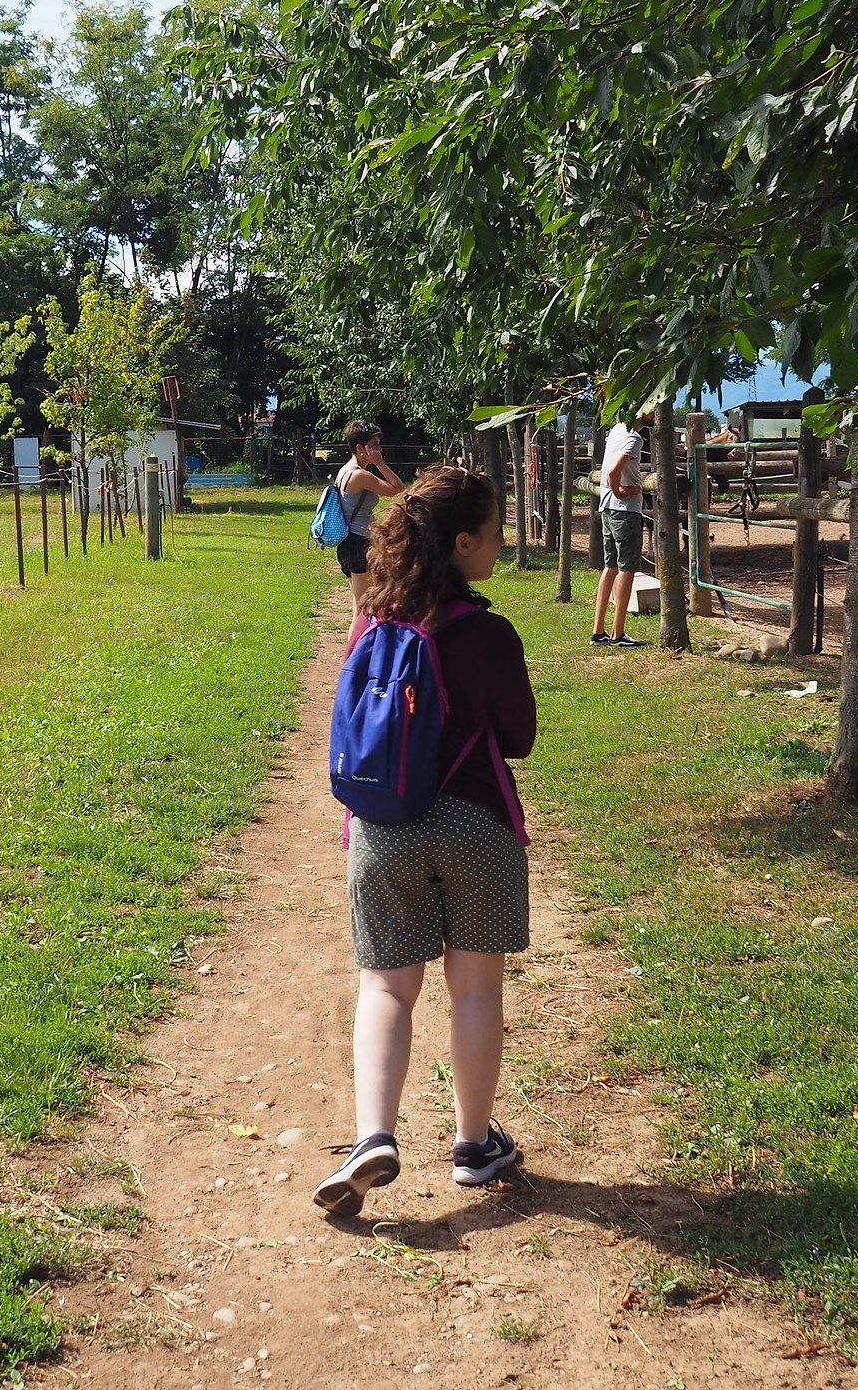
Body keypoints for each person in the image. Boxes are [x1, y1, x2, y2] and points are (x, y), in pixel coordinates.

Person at [314, 466, 537, 1218]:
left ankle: (372, 1135)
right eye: (499, 531)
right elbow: (520, 738)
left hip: (383, 830)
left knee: (385, 986)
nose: (503, 544)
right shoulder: (489, 632)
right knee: (474, 988)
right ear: (466, 542)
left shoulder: (375, 620)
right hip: (475, 825)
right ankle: (473, 1146)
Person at [591, 408, 651, 648]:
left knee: (610, 567)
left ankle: (598, 631)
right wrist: (620, 491)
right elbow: (614, 471)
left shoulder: (616, 430)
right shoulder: (635, 438)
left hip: (607, 508)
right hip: (624, 510)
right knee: (627, 569)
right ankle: (618, 634)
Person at [332, 420, 407, 604]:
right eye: (374, 445)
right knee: (364, 607)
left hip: (352, 542)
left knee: (364, 606)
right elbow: (397, 488)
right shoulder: (359, 475)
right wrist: (379, 463)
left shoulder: (345, 470)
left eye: (379, 444)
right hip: (357, 543)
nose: (379, 449)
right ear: (360, 448)